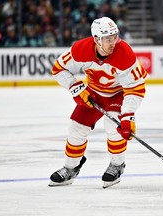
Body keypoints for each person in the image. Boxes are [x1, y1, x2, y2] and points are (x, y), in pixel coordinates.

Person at [49, 16, 148, 188]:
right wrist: (77, 89)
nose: (113, 42)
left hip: (118, 94)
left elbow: (135, 88)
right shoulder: (81, 49)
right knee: (76, 126)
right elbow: (58, 69)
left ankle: (117, 165)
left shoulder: (124, 53)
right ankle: (71, 168)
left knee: (113, 126)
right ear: (96, 39)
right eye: (108, 39)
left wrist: (128, 116)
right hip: (93, 93)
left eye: (115, 37)